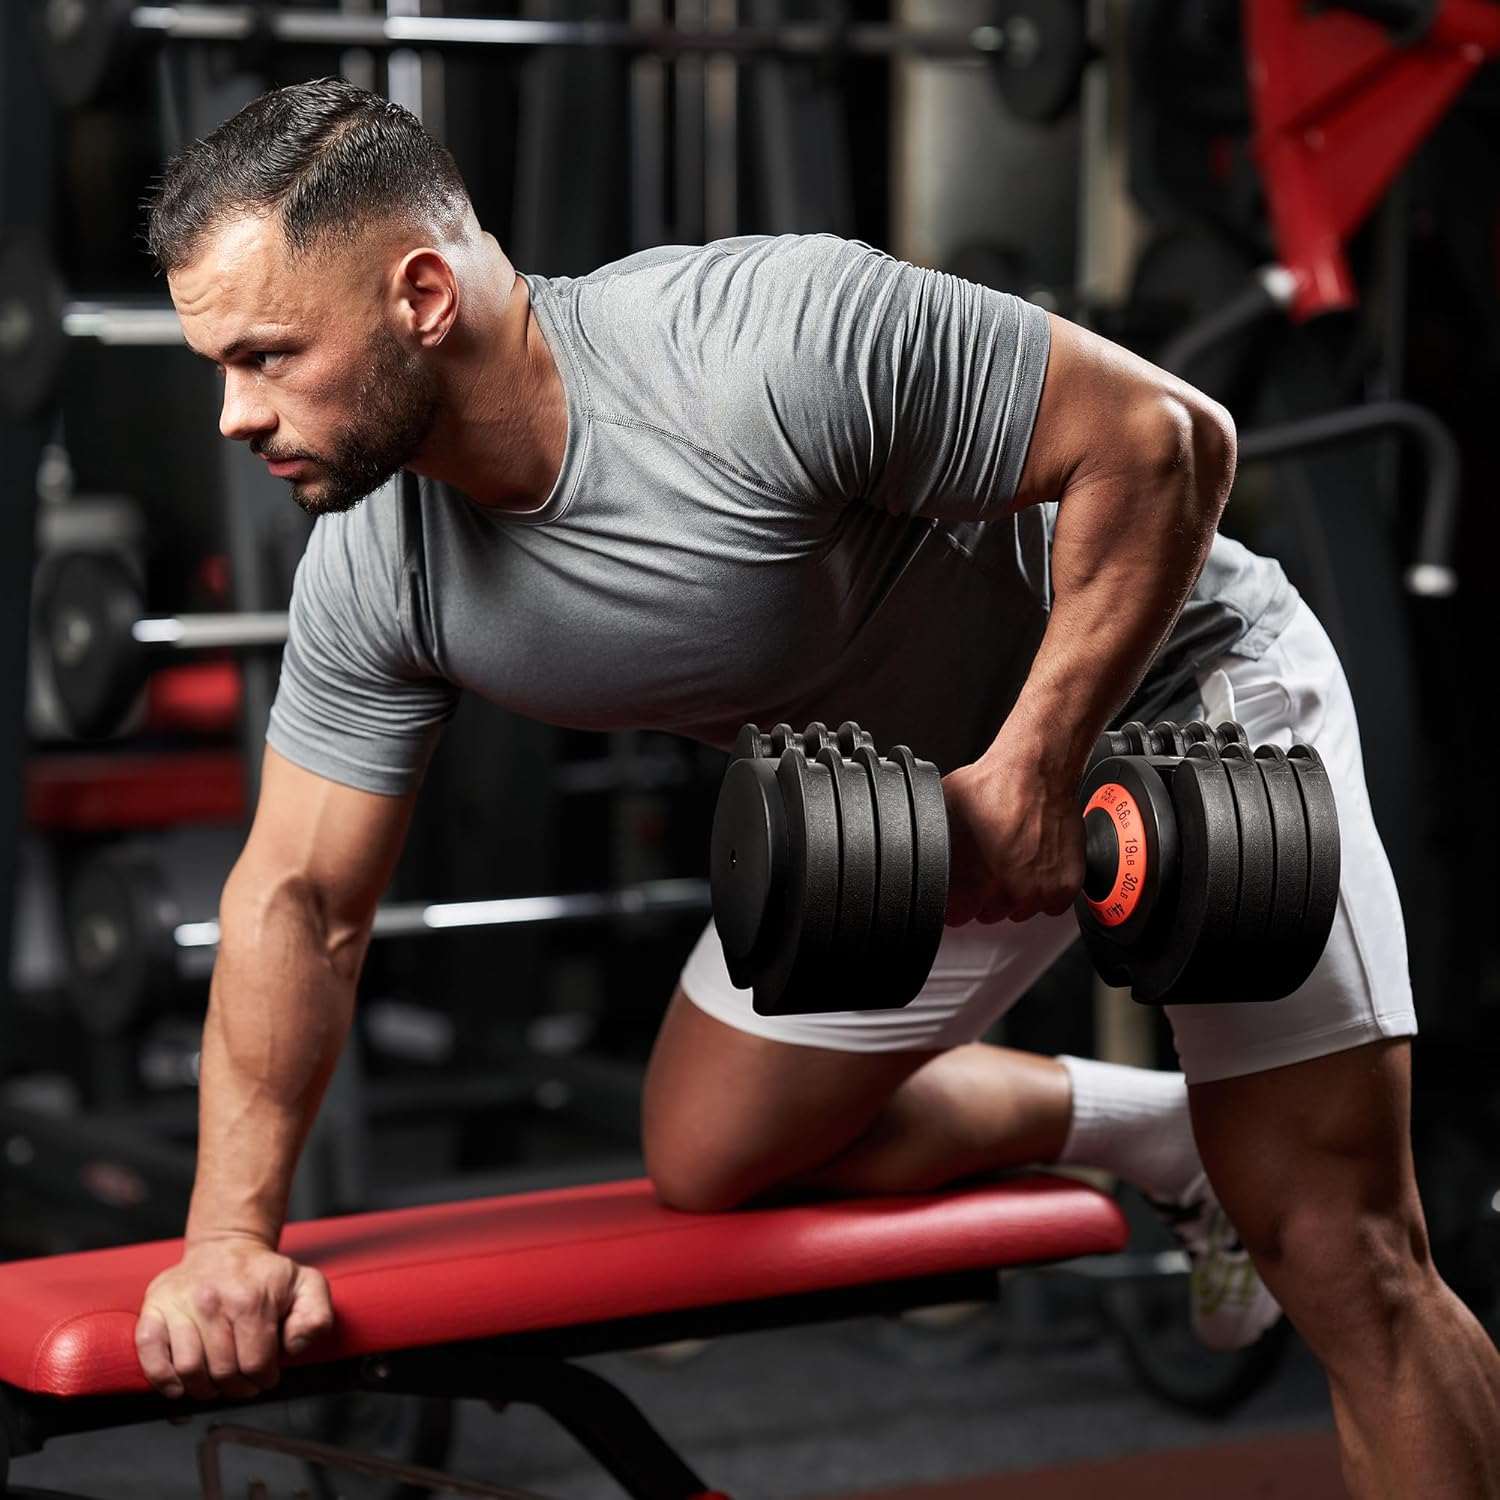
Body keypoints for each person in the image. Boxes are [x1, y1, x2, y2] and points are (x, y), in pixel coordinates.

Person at [128, 79, 1498, 1498]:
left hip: (1170, 694)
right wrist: (229, 1236)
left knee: (1348, 1257)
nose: (235, 415)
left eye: (268, 357)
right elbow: (297, 896)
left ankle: (1261, 1169)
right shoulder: (378, 568)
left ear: (421, 296)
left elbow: (1166, 440)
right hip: (904, 814)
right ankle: (1161, 1133)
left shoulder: (757, 345)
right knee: (712, 1150)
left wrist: (1031, 767)